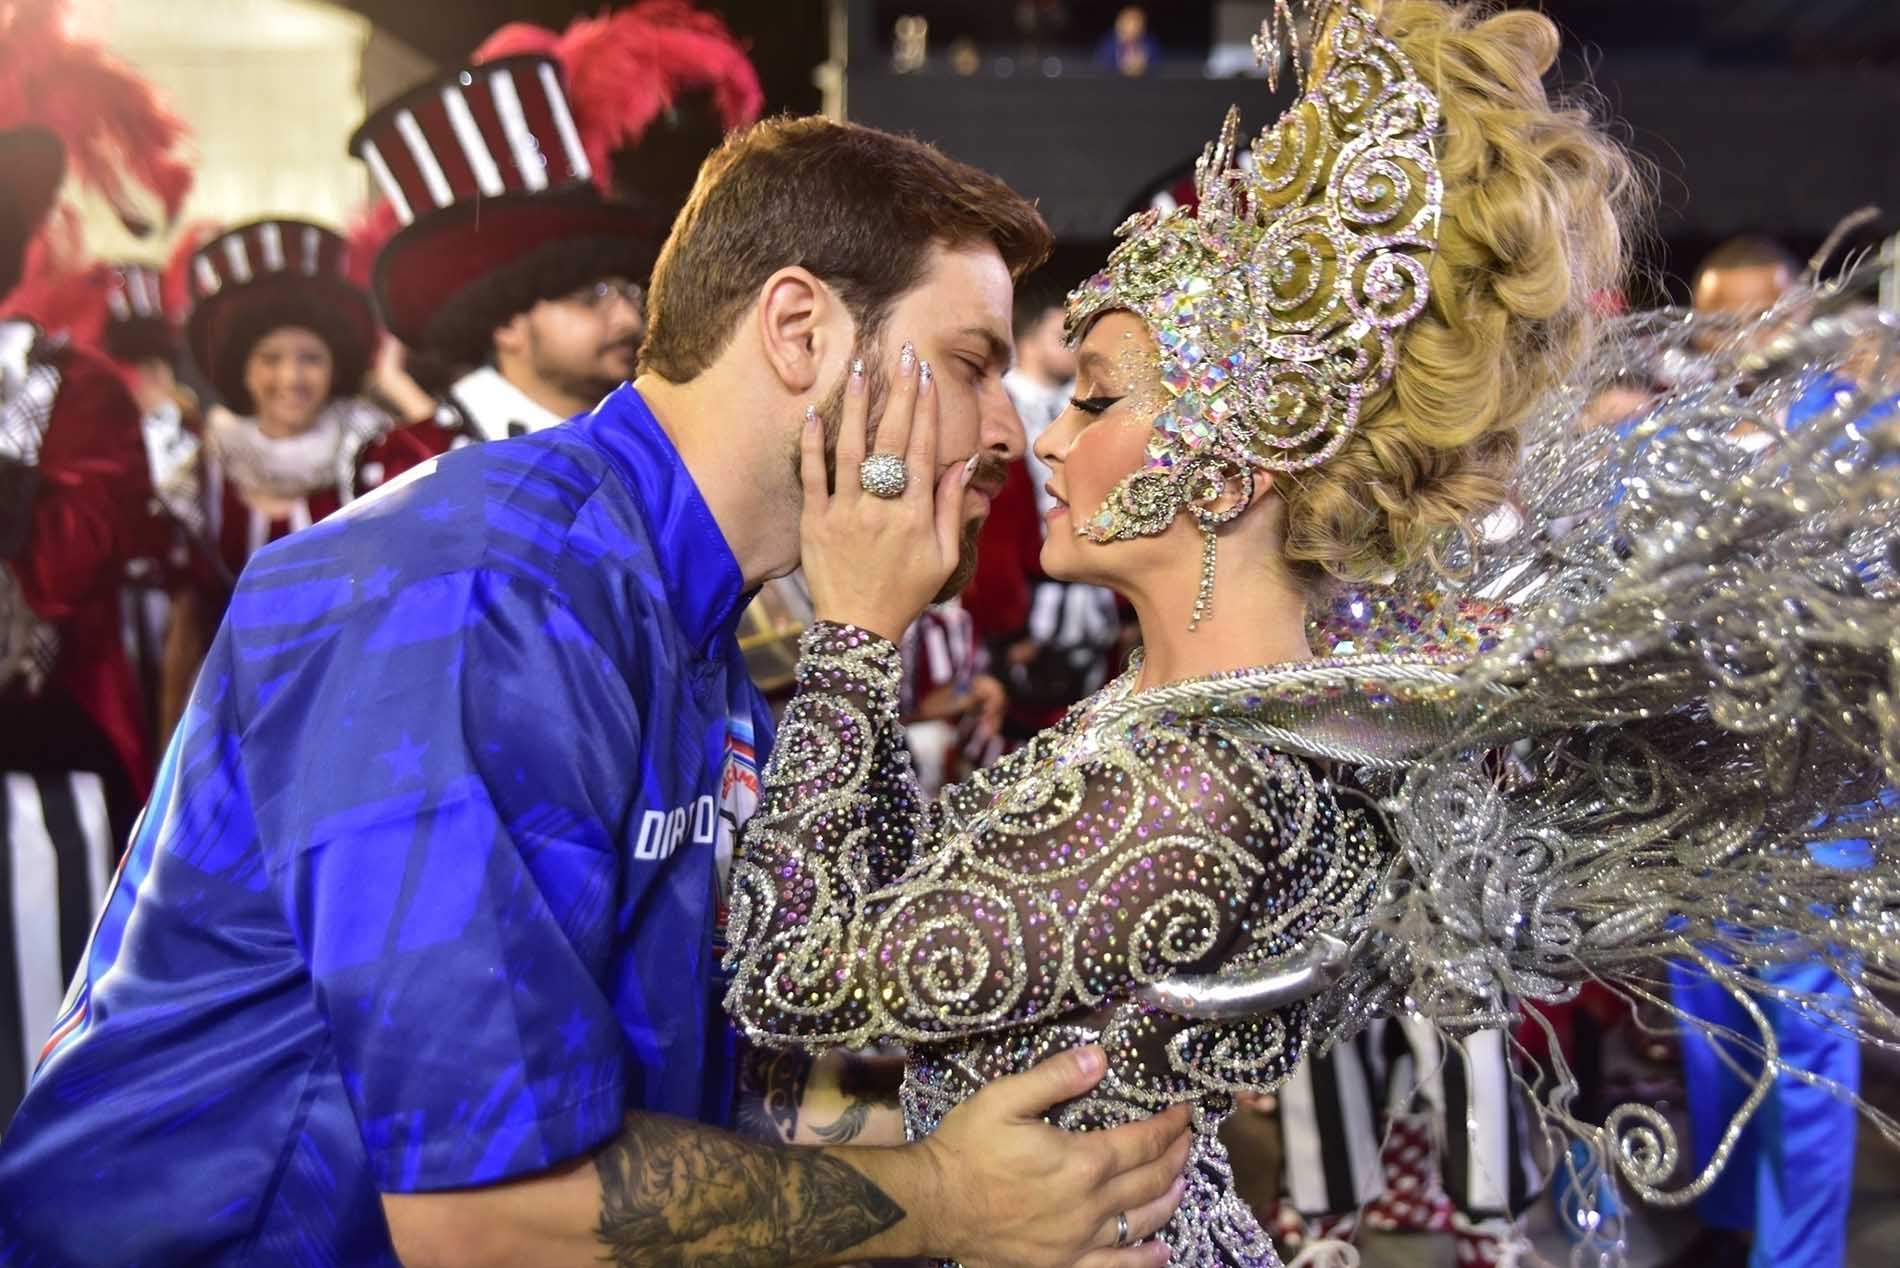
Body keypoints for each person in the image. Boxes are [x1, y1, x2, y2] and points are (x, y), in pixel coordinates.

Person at [0, 114, 1190, 1267]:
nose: (1008, 431)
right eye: (972, 362)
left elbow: (699, 1092)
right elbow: (490, 1214)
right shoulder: (478, 590)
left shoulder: (680, 604)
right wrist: (946, 1198)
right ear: (798, 329)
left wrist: (1040, 1169)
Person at [720, 3, 1636, 1264]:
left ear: (1222, 469)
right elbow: (904, 895)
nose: (1042, 437)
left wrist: (852, 637)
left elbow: (793, 977)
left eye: (1093, 399)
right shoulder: (1194, 717)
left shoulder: (1197, 784)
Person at [1658, 234, 1868, 1268]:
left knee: (1807, 1041)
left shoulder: (1862, 438)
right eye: (1719, 318)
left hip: (1814, 797)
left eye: (1764, 313)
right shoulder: (1662, 443)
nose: (1743, 337)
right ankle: (1732, 1214)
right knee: (1711, 1022)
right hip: (1691, 788)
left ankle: (1797, 1257)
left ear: (1802, 317)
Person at [351, 5, 764, 487]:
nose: (631, 321)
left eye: (628, 293)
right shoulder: (411, 465)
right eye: (591, 299)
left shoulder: (664, 444)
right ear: (506, 322)